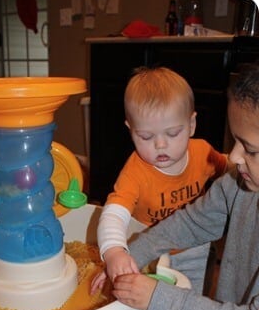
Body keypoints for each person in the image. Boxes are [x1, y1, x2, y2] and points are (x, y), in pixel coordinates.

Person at [112, 62, 259, 310]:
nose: (235, 157)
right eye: (235, 140)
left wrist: (158, 299)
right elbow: (194, 220)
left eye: (250, 149)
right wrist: (133, 252)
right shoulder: (239, 183)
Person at [91, 66, 229, 294]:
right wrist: (114, 251)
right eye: (146, 136)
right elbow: (113, 214)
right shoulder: (135, 172)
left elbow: (230, 168)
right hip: (150, 252)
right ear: (131, 130)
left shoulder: (203, 152)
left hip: (196, 249)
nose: (160, 145)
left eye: (173, 133)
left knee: (188, 300)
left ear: (192, 125)